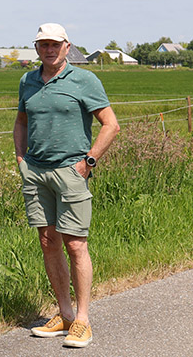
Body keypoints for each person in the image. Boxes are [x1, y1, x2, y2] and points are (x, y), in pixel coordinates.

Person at [14, 23, 120, 349]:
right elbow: (21, 122)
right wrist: (21, 160)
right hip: (37, 172)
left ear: (67, 46)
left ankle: (83, 321)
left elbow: (111, 125)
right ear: (36, 48)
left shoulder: (84, 80)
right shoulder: (27, 81)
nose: (49, 49)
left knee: (76, 245)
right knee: (48, 242)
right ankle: (65, 314)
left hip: (71, 172)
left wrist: (88, 162)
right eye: (43, 44)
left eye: (55, 44)